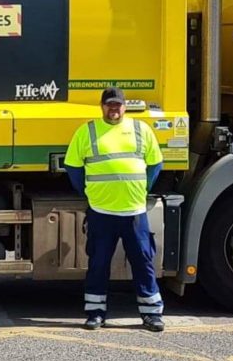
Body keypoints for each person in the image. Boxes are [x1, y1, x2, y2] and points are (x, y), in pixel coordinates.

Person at [62, 87, 165, 332]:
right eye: (109, 104)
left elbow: (155, 164)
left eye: (117, 104)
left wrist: (142, 189)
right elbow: (73, 168)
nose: (113, 109)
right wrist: (89, 193)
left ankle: (152, 314)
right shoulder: (87, 131)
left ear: (124, 106)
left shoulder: (141, 130)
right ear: (102, 106)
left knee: (143, 261)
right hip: (102, 211)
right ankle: (95, 313)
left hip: (134, 211)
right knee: (98, 263)